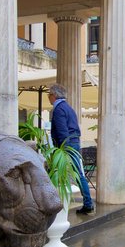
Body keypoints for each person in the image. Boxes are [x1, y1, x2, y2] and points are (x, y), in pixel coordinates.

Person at [47, 84, 95, 215]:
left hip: (66, 146)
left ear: (54, 95)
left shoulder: (58, 109)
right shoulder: (68, 108)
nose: (48, 97)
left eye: (49, 94)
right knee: (79, 175)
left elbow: (62, 131)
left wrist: (61, 151)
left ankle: (86, 203)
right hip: (73, 144)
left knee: (67, 174)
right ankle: (87, 203)